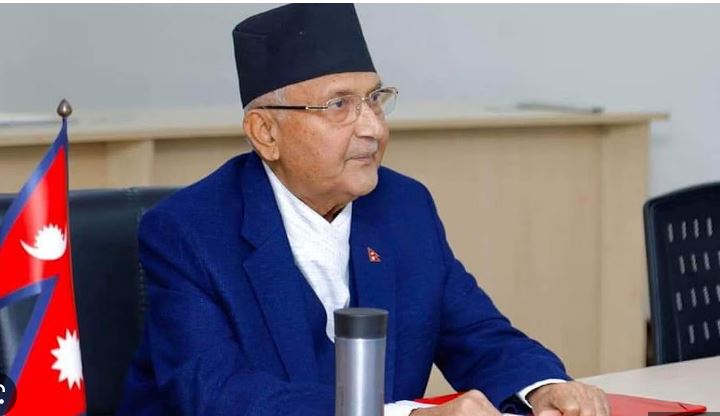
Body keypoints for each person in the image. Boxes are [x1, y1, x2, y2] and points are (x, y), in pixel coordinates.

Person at [118, 4, 609, 416]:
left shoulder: (404, 207)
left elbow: (477, 334)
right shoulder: (188, 231)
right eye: (339, 106)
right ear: (266, 133)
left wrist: (542, 386)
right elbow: (217, 393)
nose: (373, 128)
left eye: (375, 100)